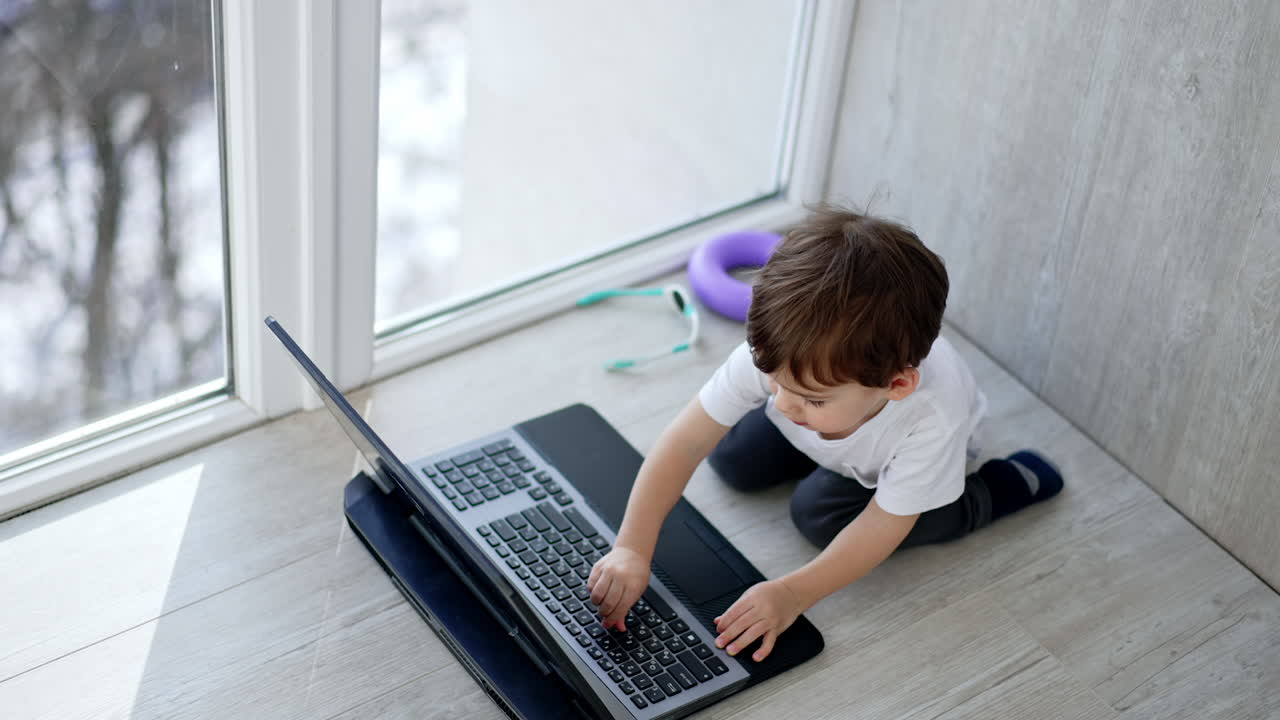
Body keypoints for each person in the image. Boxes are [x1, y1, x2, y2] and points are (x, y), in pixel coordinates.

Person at [586, 205, 1063, 662]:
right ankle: (822, 434)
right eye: (774, 381)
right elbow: (686, 439)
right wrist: (631, 547)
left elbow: (884, 524)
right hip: (836, 430)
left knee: (816, 514)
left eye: (811, 398)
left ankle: (988, 495)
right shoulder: (786, 354)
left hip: (899, 466)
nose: (783, 402)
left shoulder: (931, 420)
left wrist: (793, 593)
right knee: (732, 460)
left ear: (895, 385)